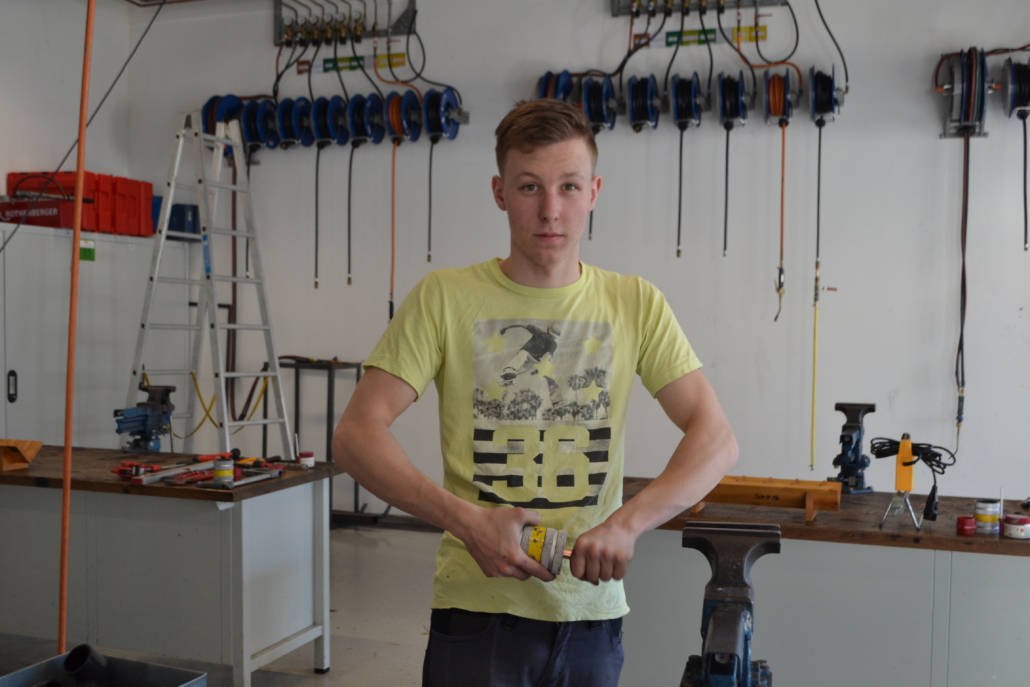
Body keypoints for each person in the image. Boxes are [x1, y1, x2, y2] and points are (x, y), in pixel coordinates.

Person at [333, 98, 738, 687]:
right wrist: (468, 522)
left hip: (591, 614)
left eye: (569, 186)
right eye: (530, 187)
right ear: (500, 192)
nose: (551, 210)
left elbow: (716, 438)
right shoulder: (444, 297)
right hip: (478, 613)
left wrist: (626, 525)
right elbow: (355, 434)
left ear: (594, 192)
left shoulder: (635, 303)